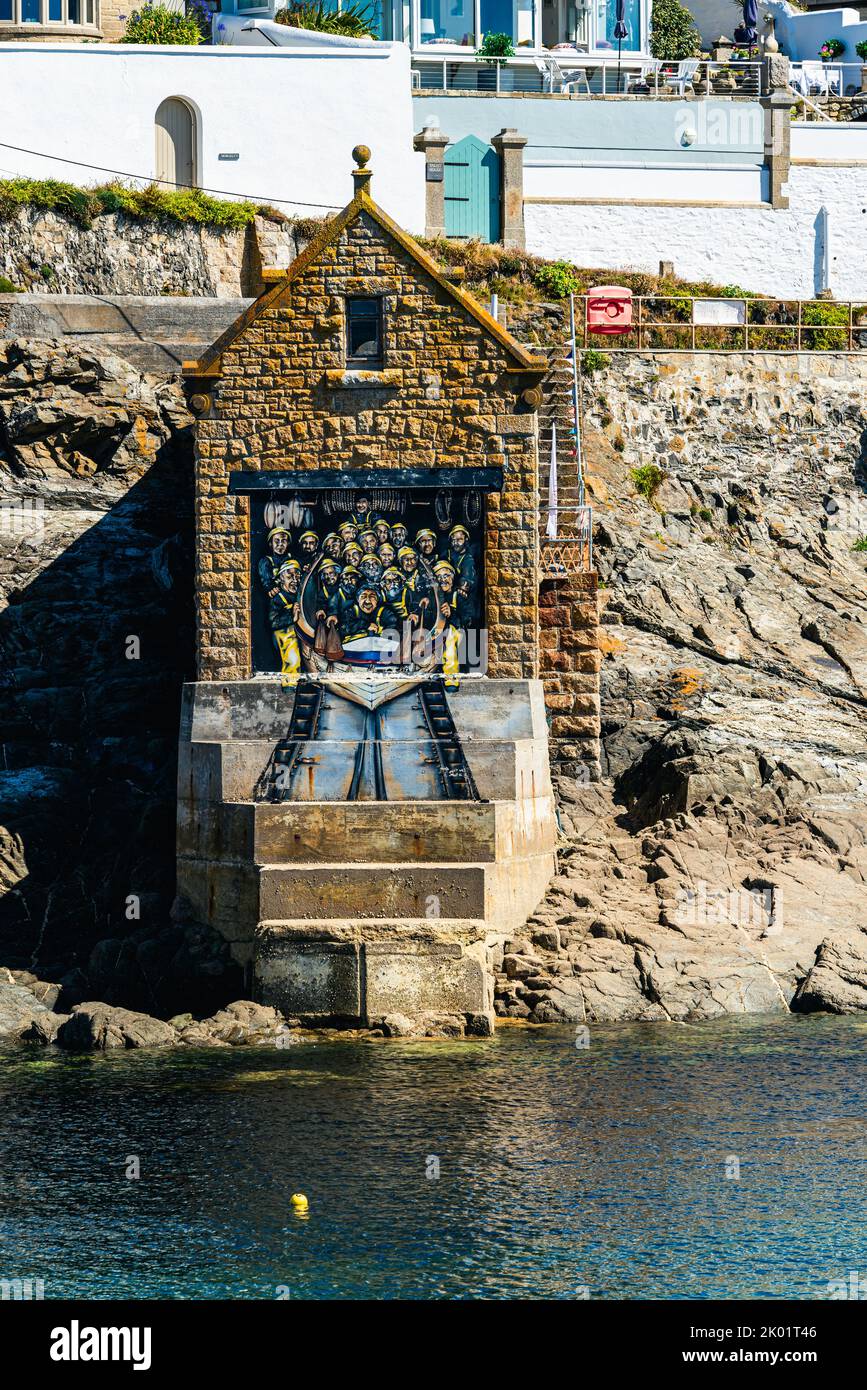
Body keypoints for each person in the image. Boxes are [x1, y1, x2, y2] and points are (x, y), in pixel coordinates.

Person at [268, 559, 302, 682]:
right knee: (292, 657)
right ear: (281, 579)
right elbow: (273, 622)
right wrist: (291, 616)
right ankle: (290, 685)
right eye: (290, 576)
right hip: (284, 634)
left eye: (297, 576)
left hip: (301, 632)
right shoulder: (278, 599)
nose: (295, 580)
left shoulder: (300, 594)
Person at [447, 524, 477, 626]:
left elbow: (468, 576)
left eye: (459, 539)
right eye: (453, 540)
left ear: (466, 539)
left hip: (463, 600)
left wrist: (463, 587)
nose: (456, 543)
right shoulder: (449, 555)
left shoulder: (468, 558)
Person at [258, 527, 290, 599]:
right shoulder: (266, 561)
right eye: (276, 541)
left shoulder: (292, 559)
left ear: (287, 543)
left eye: (283, 541)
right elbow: (266, 581)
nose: (280, 544)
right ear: (271, 544)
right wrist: (271, 588)